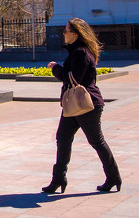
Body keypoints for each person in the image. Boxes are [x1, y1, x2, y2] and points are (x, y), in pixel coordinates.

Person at [42, 17, 122, 194]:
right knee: (62, 138)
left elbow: (72, 78)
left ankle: (113, 176)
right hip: (74, 104)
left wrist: (56, 68)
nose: (63, 33)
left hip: (87, 104)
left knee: (96, 141)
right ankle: (58, 179)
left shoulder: (81, 52)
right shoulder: (77, 51)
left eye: (66, 30)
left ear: (74, 34)